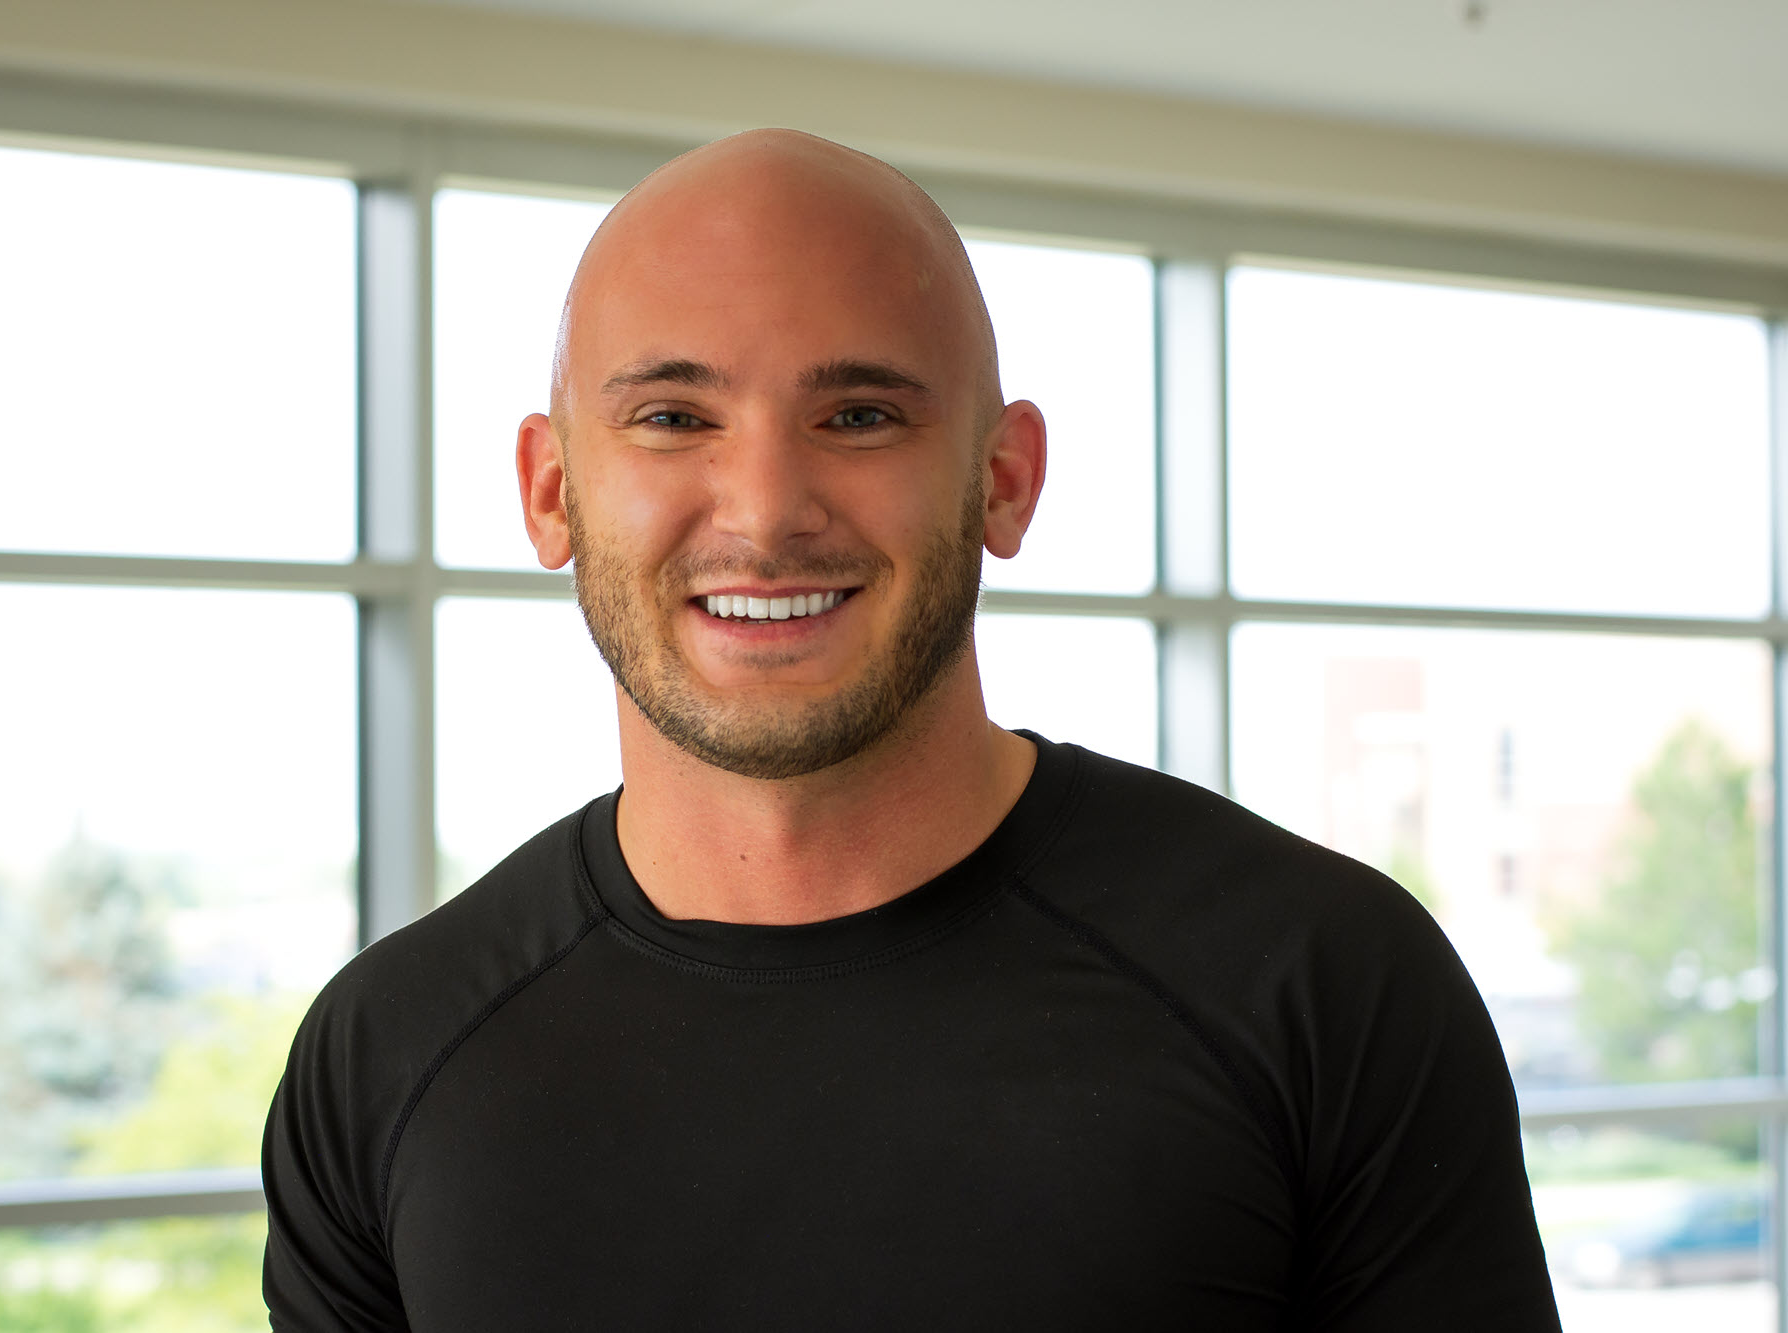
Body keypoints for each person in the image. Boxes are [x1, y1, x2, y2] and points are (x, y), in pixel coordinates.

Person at [262, 129, 1562, 1330]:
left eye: (860, 415)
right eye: (674, 417)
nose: (765, 511)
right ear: (551, 491)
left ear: (1005, 479)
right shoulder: (386, 1054)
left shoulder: (1327, 987)